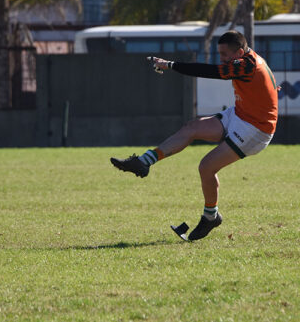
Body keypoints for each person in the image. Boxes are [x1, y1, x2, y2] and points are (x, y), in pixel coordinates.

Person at [110, 30, 278, 241]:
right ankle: (144, 162)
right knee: (191, 128)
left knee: (206, 167)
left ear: (240, 52)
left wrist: (170, 65)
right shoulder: (249, 60)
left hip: (255, 129)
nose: (222, 58)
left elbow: (210, 71)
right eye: (220, 53)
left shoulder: (246, 64)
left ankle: (211, 217)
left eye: (225, 54)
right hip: (240, 114)